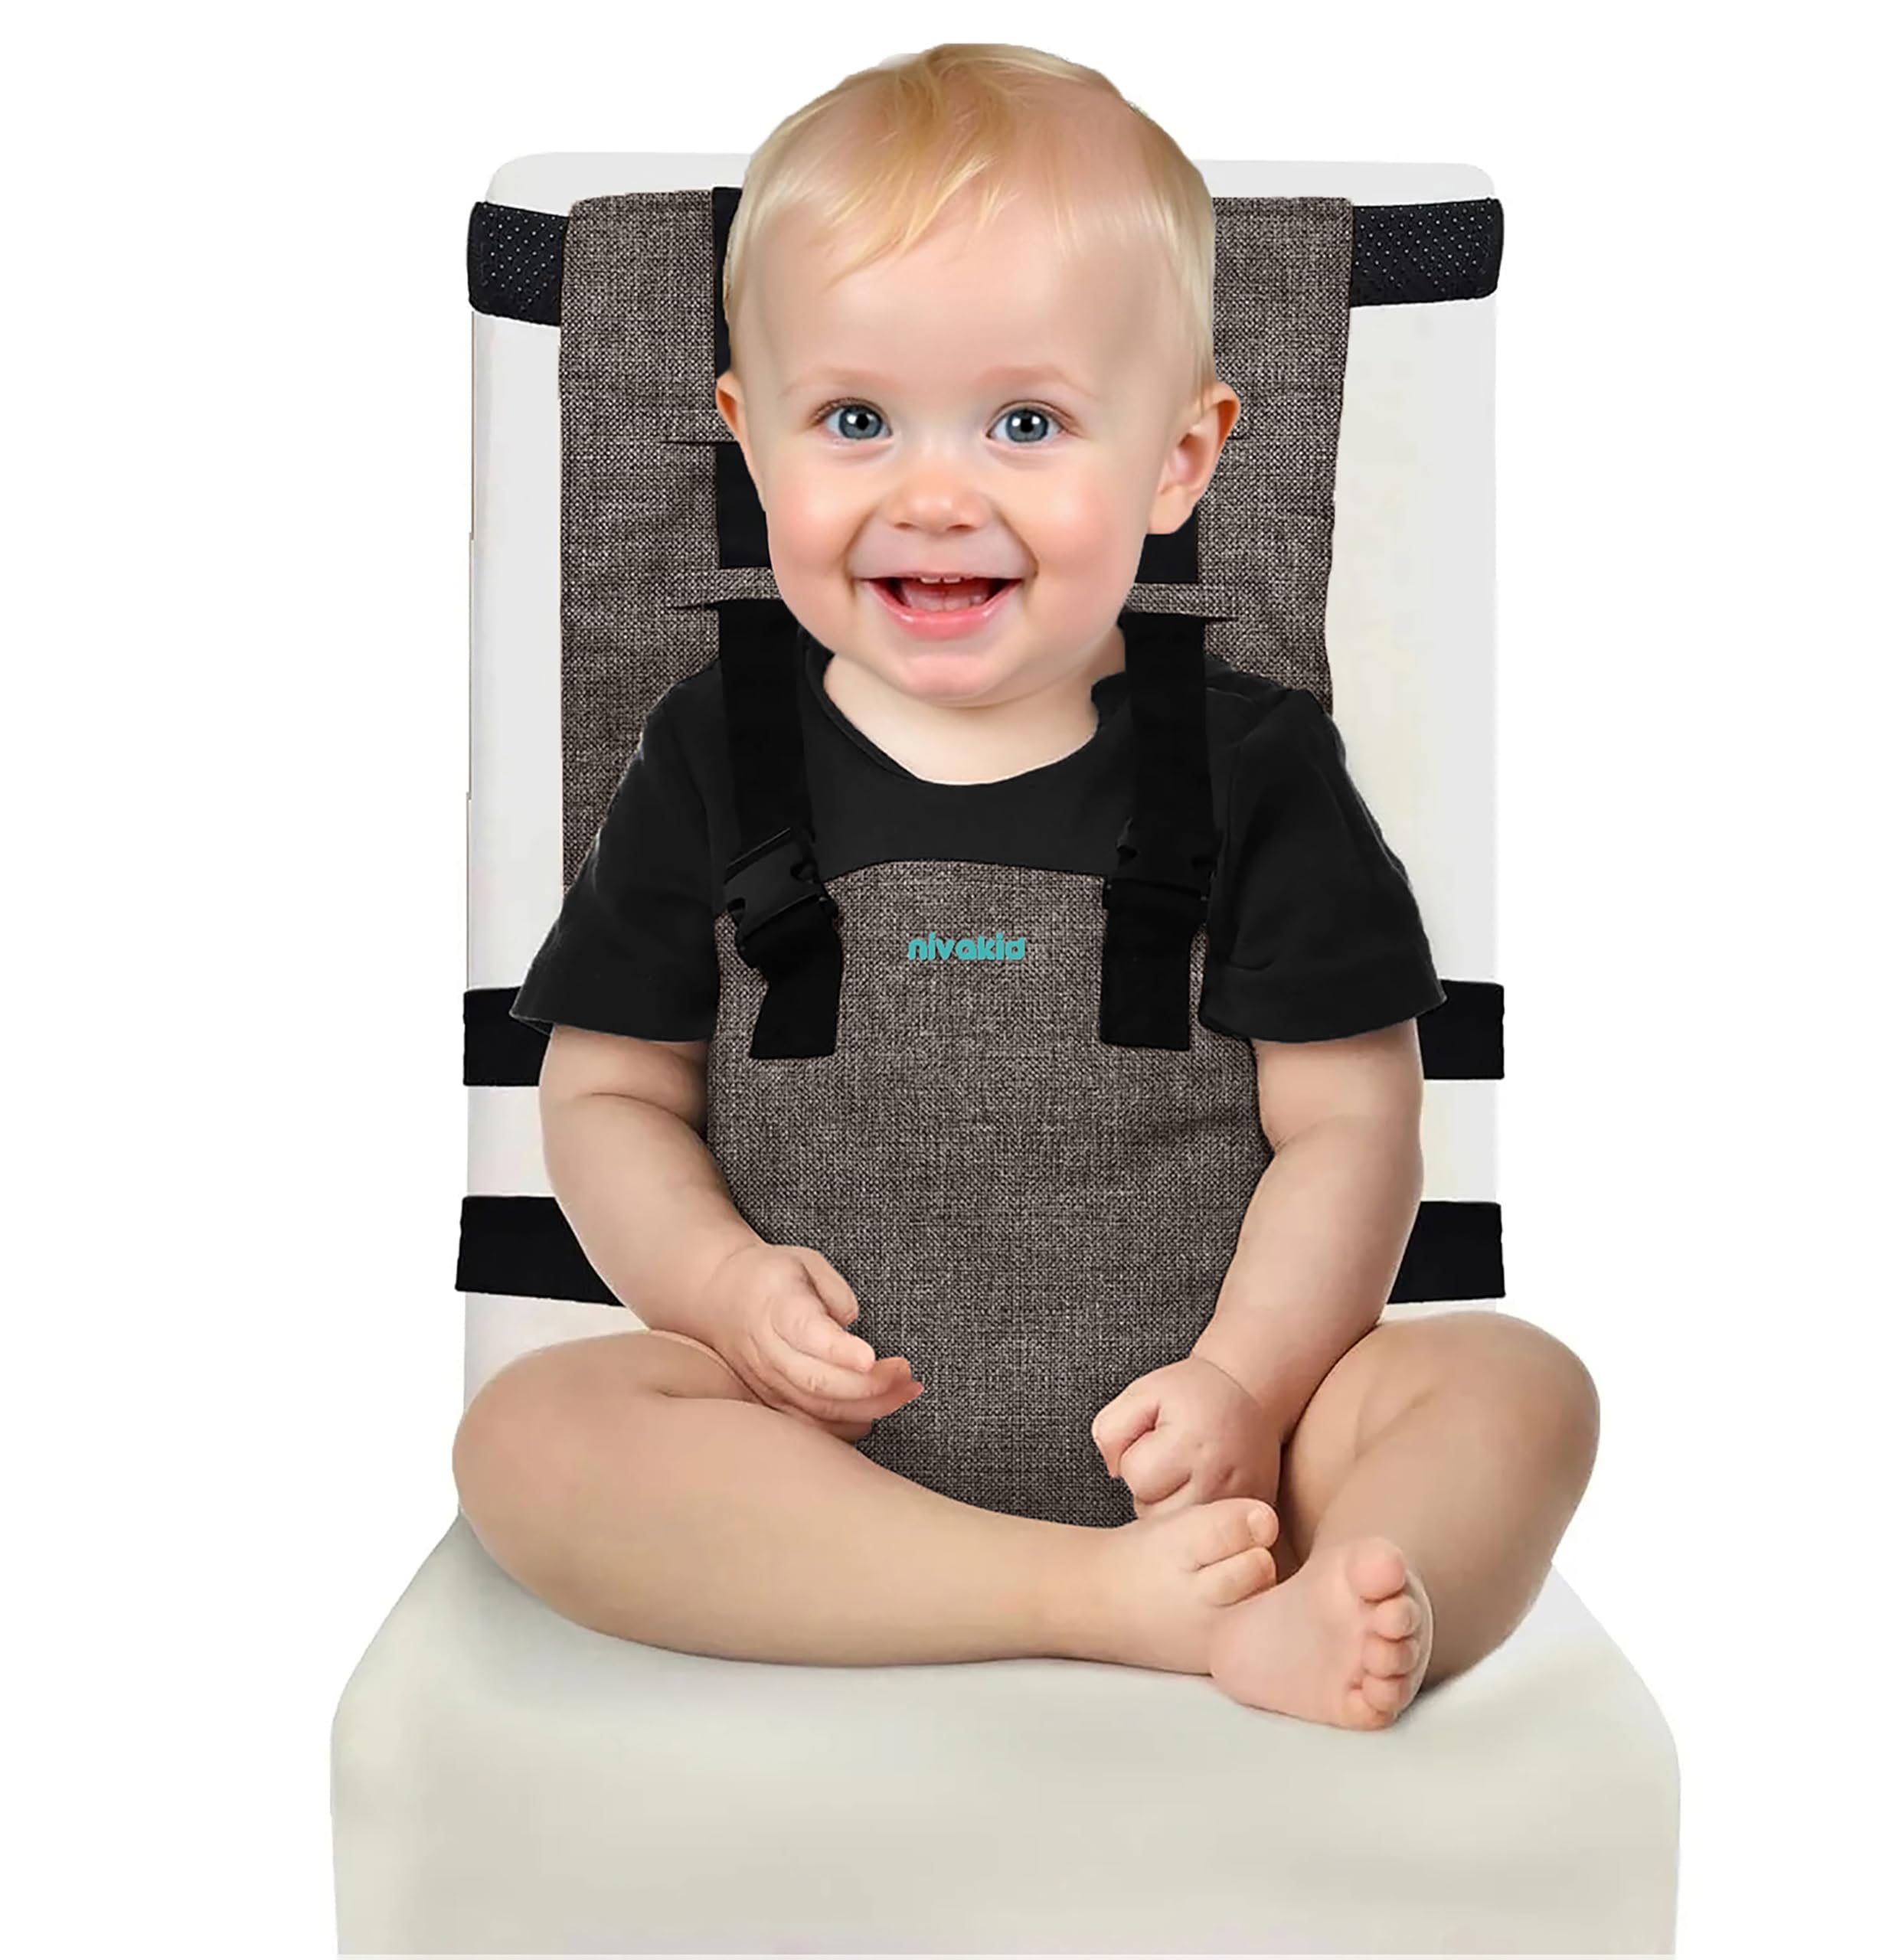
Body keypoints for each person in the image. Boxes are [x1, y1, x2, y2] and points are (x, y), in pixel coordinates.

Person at [453, 42, 1600, 1731]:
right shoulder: (709, 750)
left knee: (1514, 1385)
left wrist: (1247, 1381)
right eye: (856, 420)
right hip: (815, 1463)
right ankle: (1086, 1601)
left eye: (1026, 422)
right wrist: (717, 1290)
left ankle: (1337, 1589)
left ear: (1178, 461)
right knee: (532, 1439)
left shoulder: (1257, 767)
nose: (936, 493)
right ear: (749, 442)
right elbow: (608, 1091)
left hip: (1234, 1454)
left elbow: (1352, 1129)